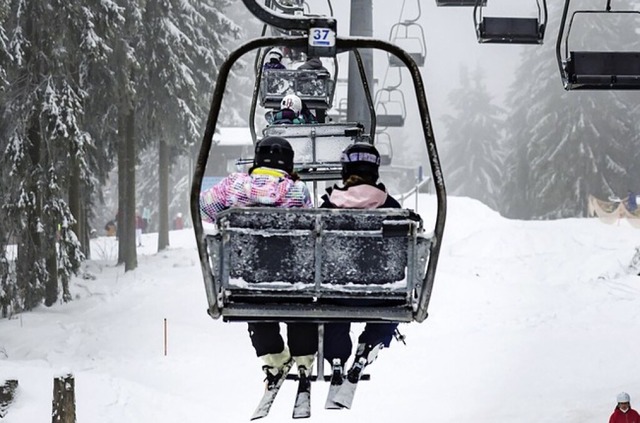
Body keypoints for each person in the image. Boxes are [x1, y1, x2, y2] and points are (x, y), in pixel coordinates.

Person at [199, 136, 318, 384]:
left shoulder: (232, 186)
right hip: (291, 278)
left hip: (246, 279)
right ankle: (304, 356)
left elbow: (203, 208)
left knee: (252, 290)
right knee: (299, 299)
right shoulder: (297, 191)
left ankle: (273, 357)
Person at [320, 142, 403, 380]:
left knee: (333, 310)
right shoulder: (391, 207)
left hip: (335, 291)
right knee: (390, 309)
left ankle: (336, 356)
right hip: (380, 293)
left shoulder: (328, 206)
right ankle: (370, 344)